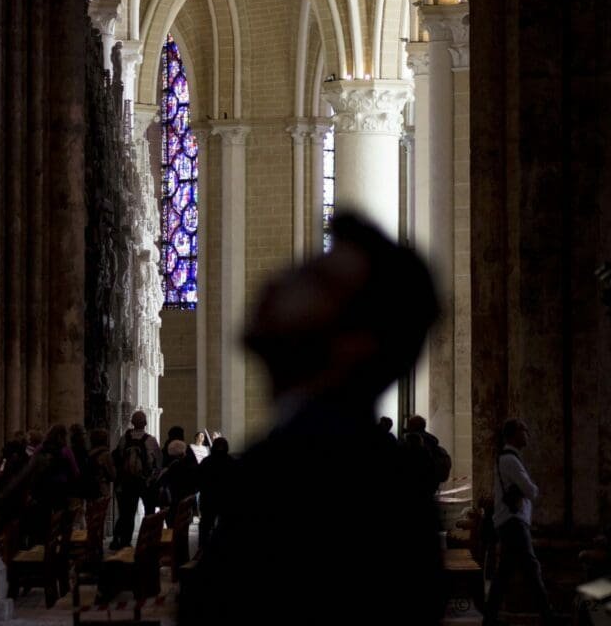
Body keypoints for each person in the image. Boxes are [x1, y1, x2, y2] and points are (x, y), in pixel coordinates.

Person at [185, 211, 445, 626]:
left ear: (355, 342)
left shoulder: (314, 469)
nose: (284, 278)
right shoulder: (334, 455)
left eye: (318, 281)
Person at [482, 418, 554, 626]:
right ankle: (548, 616)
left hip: (509, 522)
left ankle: (489, 617)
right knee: (531, 568)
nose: (527, 434)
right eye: (524, 430)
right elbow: (531, 491)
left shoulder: (506, 458)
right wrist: (533, 489)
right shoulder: (511, 460)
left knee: (504, 573)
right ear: (514, 434)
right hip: (514, 522)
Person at [110, 408, 162, 549]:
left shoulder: (124, 439)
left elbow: (118, 458)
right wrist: (151, 479)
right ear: (145, 423)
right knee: (149, 512)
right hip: (145, 482)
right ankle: (148, 540)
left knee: (127, 514)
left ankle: (124, 542)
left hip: (127, 482)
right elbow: (158, 462)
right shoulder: (151, 440)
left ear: (132, 423)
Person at [197, 435, 237, 550]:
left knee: (205, 525)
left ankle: (202, 548)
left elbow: (199, 479)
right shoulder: (231, 462)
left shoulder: (206, 461)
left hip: (208, 499)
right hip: (226, 500)